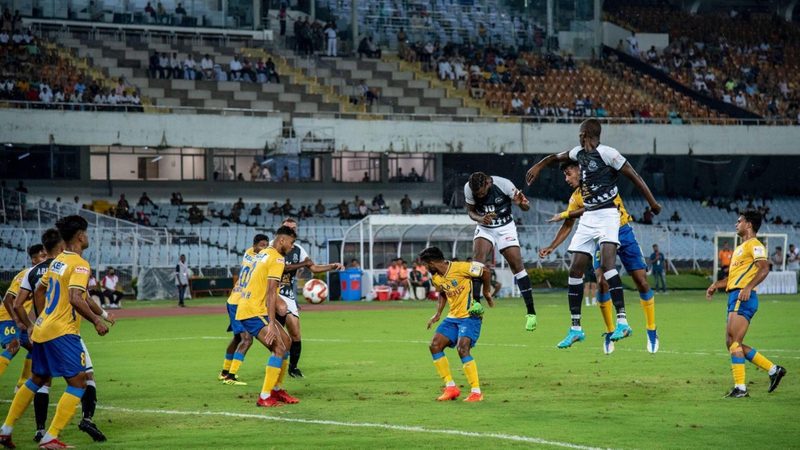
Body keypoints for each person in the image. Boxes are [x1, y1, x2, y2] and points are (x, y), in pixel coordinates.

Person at [527, 119, 661, 349]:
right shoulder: (577, 155)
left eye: (580, 134)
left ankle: (626, 323)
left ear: (584, 134)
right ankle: (576, 329)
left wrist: (653, 203)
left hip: (611, 216)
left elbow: (634, 176)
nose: (578, 137)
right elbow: (555, 158)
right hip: (590, 218)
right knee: (576, 271)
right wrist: (539, 166)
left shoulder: (608, 154)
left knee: (615, 270)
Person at [0, 215, 112, 449]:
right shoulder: (80, 264)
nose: (87, 237)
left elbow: (40, 290)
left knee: (37, 379)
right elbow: (75, 297)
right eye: (86, 233)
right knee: (79, 383)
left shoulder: (57, 261)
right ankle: (50, 437)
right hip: (63, 331)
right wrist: (96, 321)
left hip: (42, 329)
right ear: (80, 236)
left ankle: (6, 430)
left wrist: (42, 317)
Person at [706, 211, 786, 398]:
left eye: (739, 221)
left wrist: (749, 287)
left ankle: (741, 388)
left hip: (743, 297)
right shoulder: (740, 248)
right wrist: (716, 285)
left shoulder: (755, 245)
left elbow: (764, 269)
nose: (736, 224)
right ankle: (773, 370)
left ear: (749, 224)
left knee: (734, 342)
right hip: (735, 296)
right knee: (731, 342)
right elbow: (733, 279)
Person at [234, 226, 300, 407]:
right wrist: (271, 323)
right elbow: (271, 291)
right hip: (254, 310)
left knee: (286, 342)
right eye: (291, 242)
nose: (292, 247)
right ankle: (264, 397)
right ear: (282, 240)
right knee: (279, 348)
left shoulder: (264, 253)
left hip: (251, 306)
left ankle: (277, 389)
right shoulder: (277, 258)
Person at [465, 172, 538, 331]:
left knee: (517, 266)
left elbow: (526, 207)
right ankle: (476, 303)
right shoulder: (469, 188)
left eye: (482, 193)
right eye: (477, 194)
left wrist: (521, 203)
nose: (480, 196)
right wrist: (480, 218)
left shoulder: (504, 185)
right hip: (485, 228)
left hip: (505, 228)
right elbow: (470, 212)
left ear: (488, 184)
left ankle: (531, 313)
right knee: (477, 261)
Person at [422, 246, 493, 402]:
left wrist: (486, 292)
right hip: (452, 317)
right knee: (434, 345)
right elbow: (442, 293)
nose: (425, 268)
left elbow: (486, 272)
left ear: (432, 262)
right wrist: (438, 313)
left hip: (470, 316)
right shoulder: (436, 277)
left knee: (462, 348)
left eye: (426, 265)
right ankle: (451, 388)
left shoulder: (461, 267)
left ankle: (476, 392)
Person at [277, 218, 344, 378]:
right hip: (272, 292)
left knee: (295, 334)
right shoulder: (272, 248)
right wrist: (303, 264)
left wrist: (331, 266)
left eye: (294, 228)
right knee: (273, 337)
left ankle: (293, 368)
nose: (292, 230)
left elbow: (312, 267)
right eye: (289, 227)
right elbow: (283, 267)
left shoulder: (298, 249)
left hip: (287, 295)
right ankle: (231, 369)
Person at [219, 234, 269, 385]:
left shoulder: (249, 253)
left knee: (237, 338)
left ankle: (224, 372)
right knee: (247, 340)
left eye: (266, 245)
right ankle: (231, 377)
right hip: (239, 303)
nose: (264, 248)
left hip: (236, 300)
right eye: (261, 245)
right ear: (254, 246)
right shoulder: (258, 258)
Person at [0, 244, 45, 387]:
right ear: (34, 260)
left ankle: (21, 384)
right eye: (42, 256)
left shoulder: (41, 277)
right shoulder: (26, 274)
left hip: (21, 320)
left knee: (35, 348)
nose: (46, 259)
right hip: (7, 317)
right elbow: (8, 299)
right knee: (13, 346)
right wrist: (16, 320)